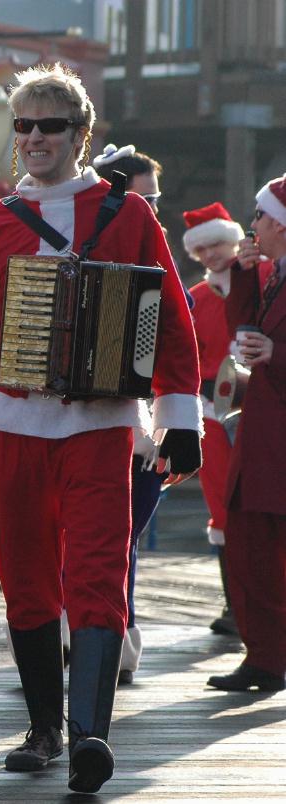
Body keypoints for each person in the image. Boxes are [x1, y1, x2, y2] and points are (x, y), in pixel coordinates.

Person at [0, 63, 201, 793]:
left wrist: (179, 417)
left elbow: (167, 318)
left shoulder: (128, 215)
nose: (34, 138)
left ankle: (88, 736)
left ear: (81, 134)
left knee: (99, 574)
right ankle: (44, 728)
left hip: (102, 426)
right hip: (13, 425)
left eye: (50, 125)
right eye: (23, 126)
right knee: (27, 579)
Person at [92, 143, 171, 684]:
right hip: (68, 426)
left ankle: (113, 638)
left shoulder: (157, 257)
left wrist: (173, 423)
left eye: (155, 199)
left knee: (122, 539)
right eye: (142, 198)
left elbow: (178, 340)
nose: (151, 211)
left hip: (139, 428)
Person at [206, 174, 286, 693]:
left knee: (266, 548)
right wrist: (239, 269)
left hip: (275, 435)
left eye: (259, 217)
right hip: (263, 431)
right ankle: (264, 656)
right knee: (249, 544)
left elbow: (264, 348)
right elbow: (243, 336)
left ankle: (268, 656)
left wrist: (277, 356)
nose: (252, 225)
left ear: (280, 223)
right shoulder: (272, 273)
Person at [179, 202, 251, 636]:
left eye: (217, 244)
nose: (211, 255)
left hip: (261, 408)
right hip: (210, 410)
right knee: (221, 504)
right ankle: (233, 605)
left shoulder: (264, 283)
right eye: (201, 250)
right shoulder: (195, 299)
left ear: (235, 239)